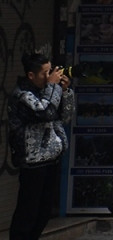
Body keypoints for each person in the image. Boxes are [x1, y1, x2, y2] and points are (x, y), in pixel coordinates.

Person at [8, 53, 74, 240]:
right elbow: (45, 112)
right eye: (45, 73)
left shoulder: (49, 91)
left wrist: (65, 92)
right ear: (31, 75)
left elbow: (65, 117)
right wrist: (53, 87)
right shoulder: (22, 95)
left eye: (50, 71)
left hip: (51, 159)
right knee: (27, 212)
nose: (50, 76)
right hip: (32, 161)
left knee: (43, 212)